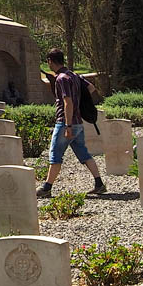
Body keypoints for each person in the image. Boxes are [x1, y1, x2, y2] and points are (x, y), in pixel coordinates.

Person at [36, 49, 106, 197]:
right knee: (84, 154)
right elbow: (91, 88)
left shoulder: (62, 78)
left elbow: (67, 102)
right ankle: (99, 183)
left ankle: (46, 188)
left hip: (65, 123)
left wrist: (68, 126)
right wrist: (81, 103)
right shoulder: (74, 75)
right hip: (79, 123)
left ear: (50, 61)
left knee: (55, 155)